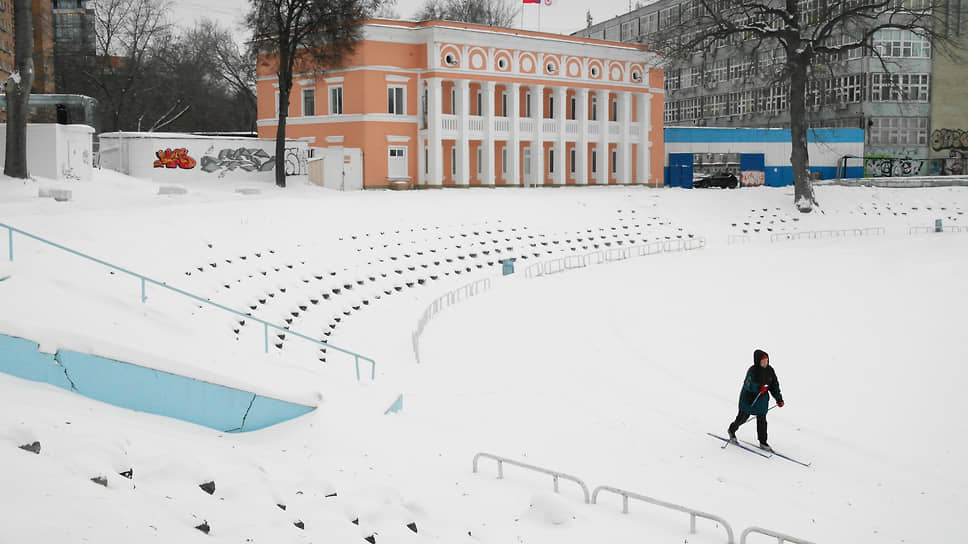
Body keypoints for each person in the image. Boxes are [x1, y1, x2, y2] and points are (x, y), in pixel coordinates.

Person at [727, 349, 784, 451]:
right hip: (749, 399)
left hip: (761, 401)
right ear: (757, 361)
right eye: (763, 361)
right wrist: (758, 388)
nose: (765, 363)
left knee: (762, 421)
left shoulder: (770, 370)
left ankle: (763, 442)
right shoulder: (752, 370)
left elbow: (774, 385)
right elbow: (748, 384)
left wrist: (779, 399)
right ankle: (732, 430)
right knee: (742, 418)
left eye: (766, 360)